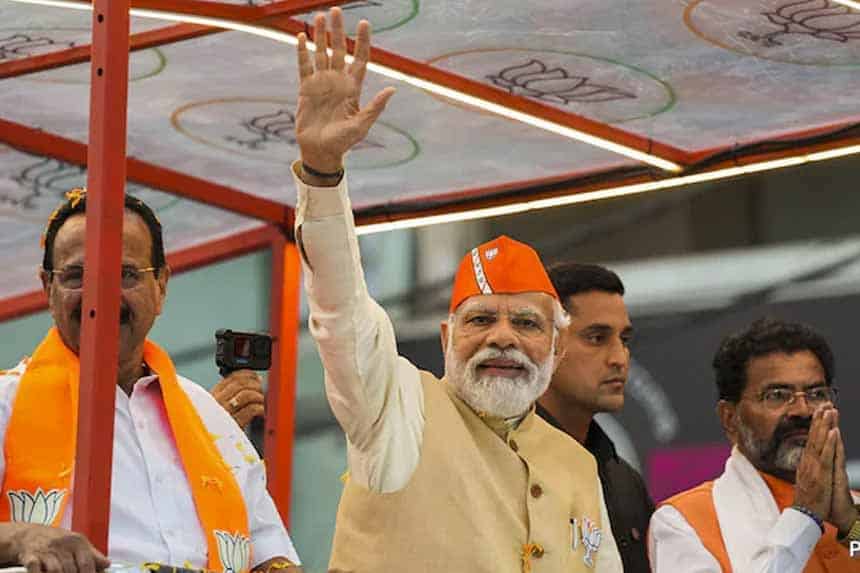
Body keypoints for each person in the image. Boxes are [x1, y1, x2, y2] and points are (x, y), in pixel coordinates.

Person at [289, 8, 622, 572]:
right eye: (481, 319)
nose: (502, 338)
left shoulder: (577, 465)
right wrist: (323, 173)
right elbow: (342, 313)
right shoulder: (397, 410)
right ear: (447, 338)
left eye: (526, 323)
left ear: (556, 347)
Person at [0, 190, 301, 573]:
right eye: (77, 276)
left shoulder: (212, 420)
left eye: (126, 274)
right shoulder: (7, 404)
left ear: (161, 286)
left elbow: (270, 554)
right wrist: (22, 538)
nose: (102, 294)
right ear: (48, 289)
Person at [649, 317, 860, 572]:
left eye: (816, 394)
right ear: (730, 418)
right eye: (777, 395)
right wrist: (804, 516)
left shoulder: (851, 511)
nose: (802, 410)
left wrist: (850, 525)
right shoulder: (685, 523)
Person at [537, 262, 654, 573]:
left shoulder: (624, 481)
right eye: (597, 338)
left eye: (624, 340)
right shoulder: (500, 468)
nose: (619, 358)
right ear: (545, 343)